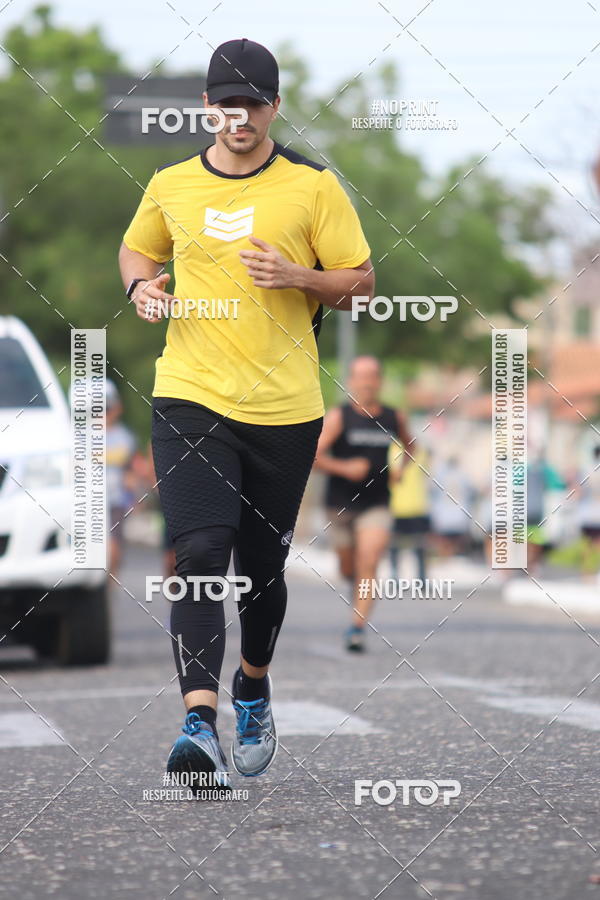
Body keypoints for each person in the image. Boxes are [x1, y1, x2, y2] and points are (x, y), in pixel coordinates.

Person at [119, 38, 374, 781]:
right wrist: (142, 290)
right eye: (227, 104)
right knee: (199, 554)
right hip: (190, 392)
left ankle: (253, 686)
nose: (240, 117)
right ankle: (198, 724)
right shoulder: (170, 184)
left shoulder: (313, 187)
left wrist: (297, 274)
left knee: (262, 568)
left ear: (275, 106)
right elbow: (137, 252)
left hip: (286, 408)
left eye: (254, 104)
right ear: (207, 106)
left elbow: (358, 281)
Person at [313, 357, 413, 652]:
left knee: (369, 562)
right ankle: (355, 582)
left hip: (377, 503)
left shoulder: (394, 417)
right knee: (349, 568)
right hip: (340, 505)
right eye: (361, 376)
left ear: (380, 381)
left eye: (372, 376)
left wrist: (400, 470)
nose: (367, 382)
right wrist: (345, 468)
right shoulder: (339, 417)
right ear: (352, 381)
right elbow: (314, 457)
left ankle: (356, 628)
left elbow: (412, 447)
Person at [105, 380, 139, 576]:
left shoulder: (125, 436)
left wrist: (133, 496)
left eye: (108, 408)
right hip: (87, 502)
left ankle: (108, 592)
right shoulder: (79, 435)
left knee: (114, 550)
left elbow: (130, 469)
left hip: (115, 500)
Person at [388, 443, 431, 583]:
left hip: (415, 506)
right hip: (398, 506)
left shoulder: (419, 449)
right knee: (395, 545)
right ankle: (396, 576)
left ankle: (421, 577)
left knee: (418, 545)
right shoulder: (418, 449)